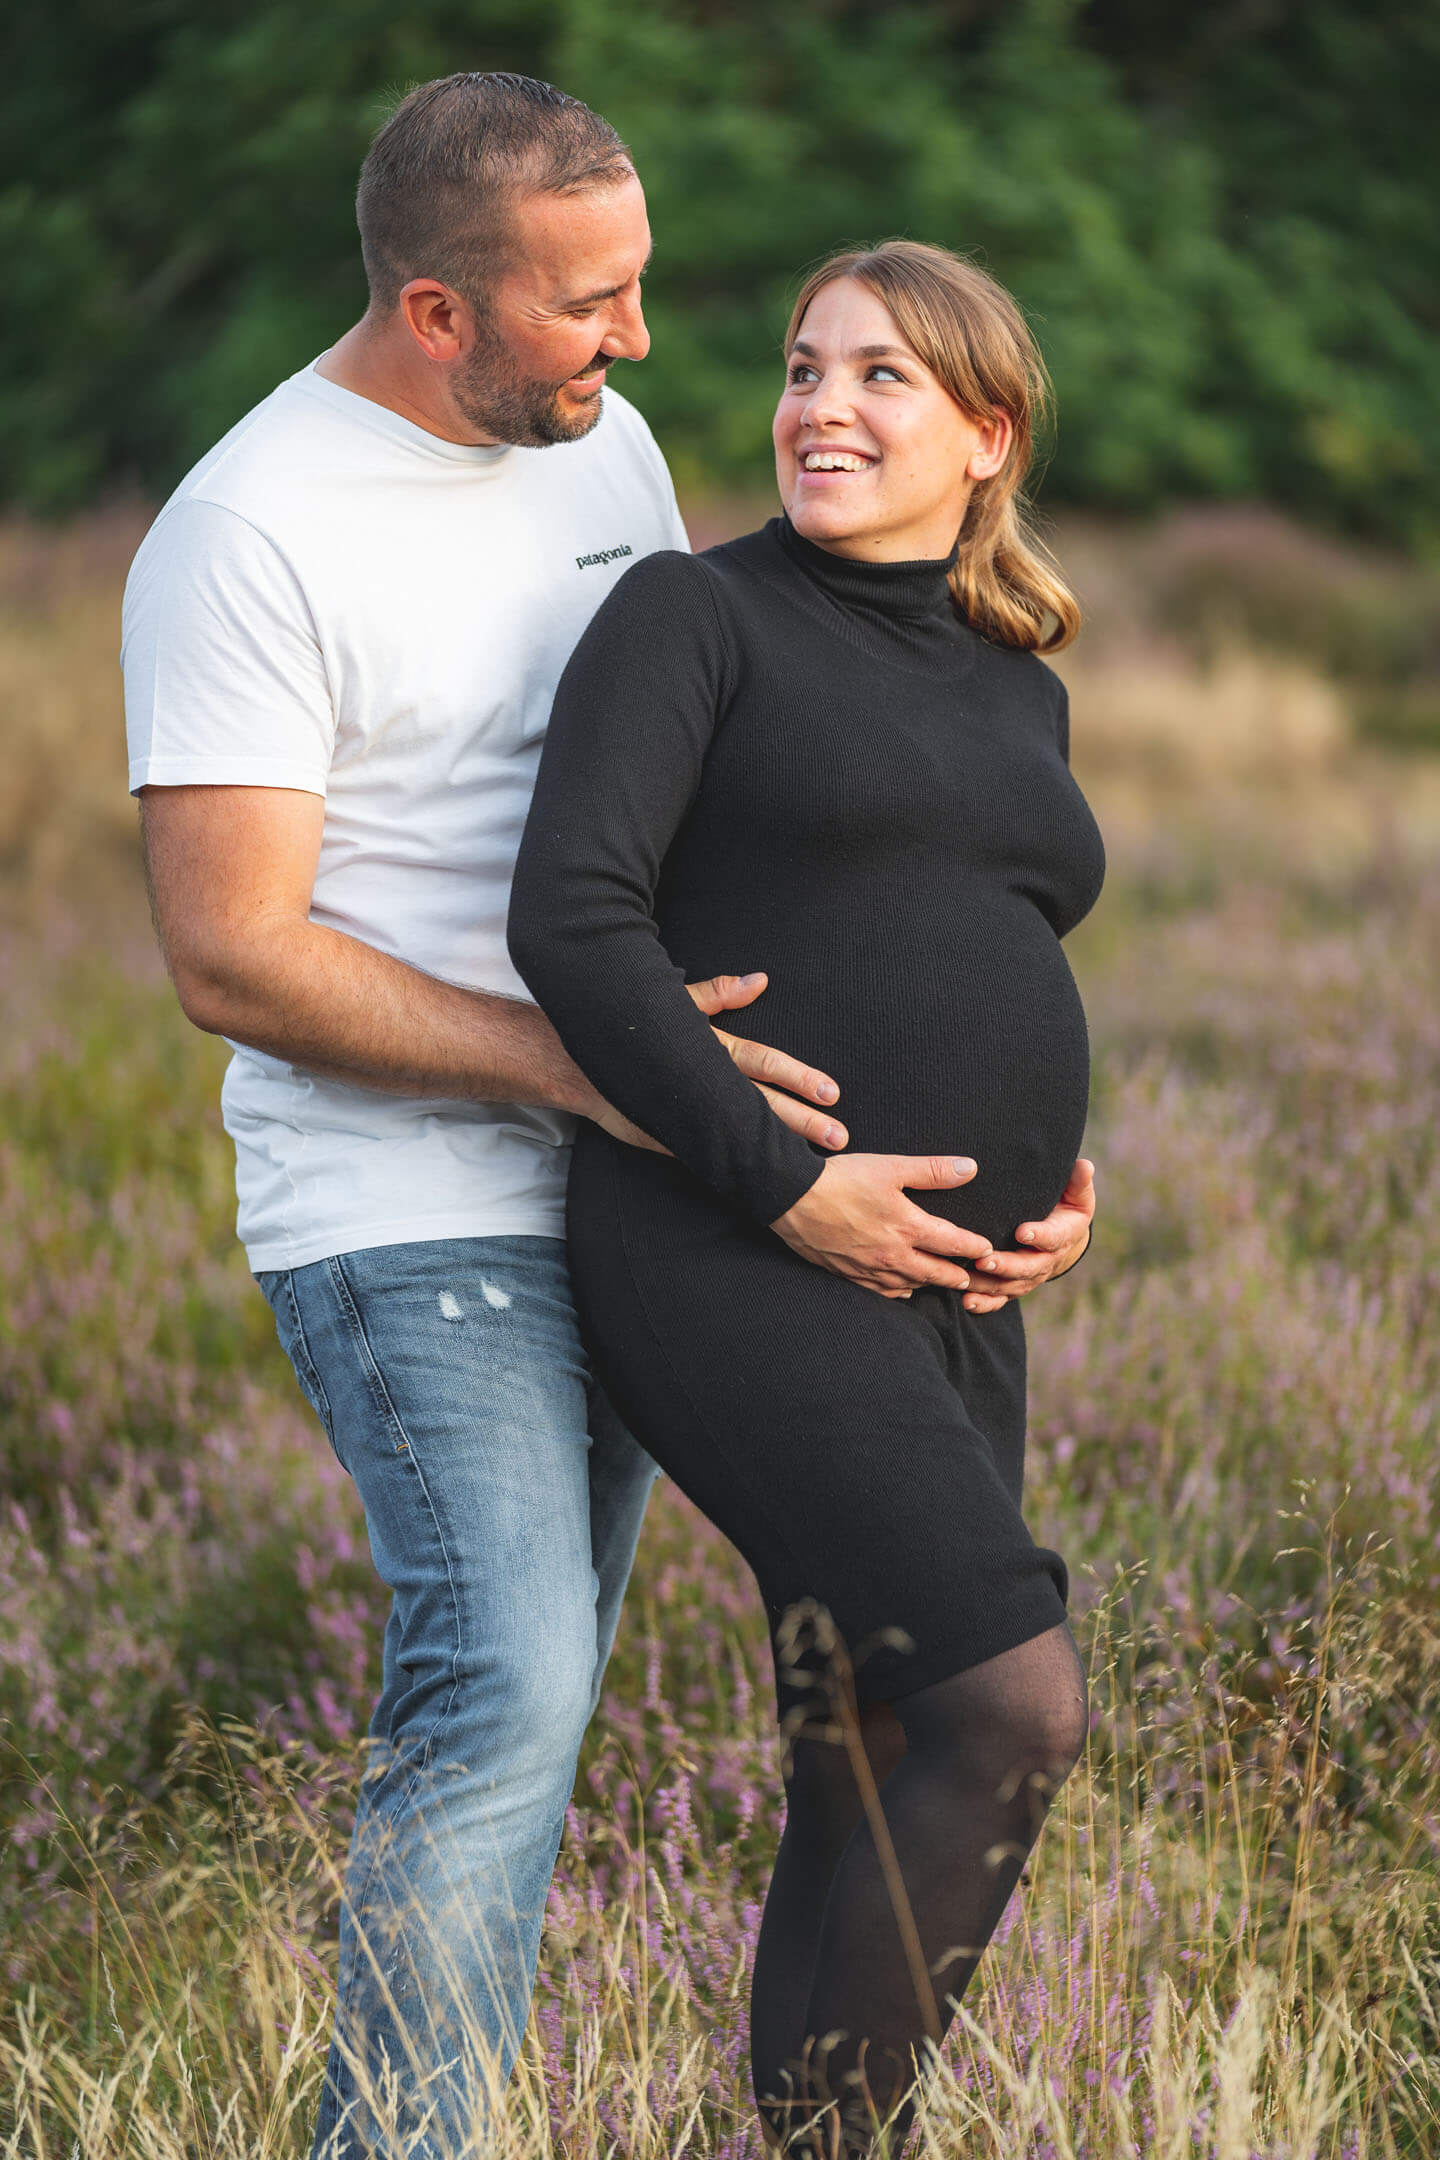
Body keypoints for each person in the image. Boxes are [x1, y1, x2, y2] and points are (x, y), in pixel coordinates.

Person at [121, 72, 858, 2159]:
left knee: (564, 1698)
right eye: (585, 304)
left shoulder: (597, 441)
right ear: (438, 310)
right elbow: (233, 955)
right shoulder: (250, 532)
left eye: (637, 290)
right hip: (404, 1205)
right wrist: (579, 1066)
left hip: (640, 1176)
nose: (638, 345)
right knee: (510, 1681)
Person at [508, 239, 1104, 2155]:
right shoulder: (695, 617)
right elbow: (574, 921)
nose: (819, 407)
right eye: (801, 367)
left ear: (987, 436)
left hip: (952, 1286)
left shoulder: (1021, 683)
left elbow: (977, 933)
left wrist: (1058, 1184)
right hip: (722, 1242)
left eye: (881, 378)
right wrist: (783, 1184)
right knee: (1011, 1707)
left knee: (871, 1741)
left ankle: (797, 2134)